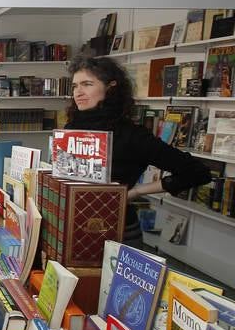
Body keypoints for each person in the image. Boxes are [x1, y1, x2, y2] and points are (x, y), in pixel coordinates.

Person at [65, 55, 211, 247]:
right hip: (71, 226)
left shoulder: (131, 134)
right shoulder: (71, 127)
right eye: (75, 86)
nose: (78, 92)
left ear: (111, 87)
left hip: (117, 230)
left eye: (87, 84)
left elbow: (197, 172)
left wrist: (135, 192)